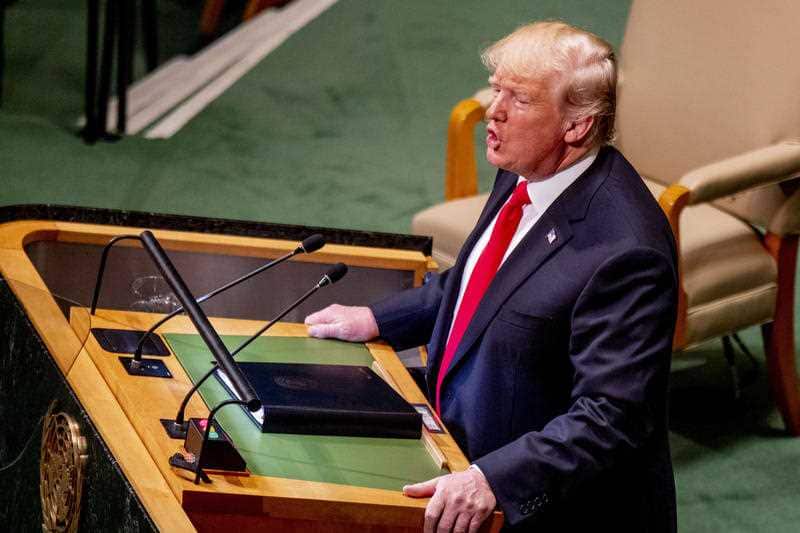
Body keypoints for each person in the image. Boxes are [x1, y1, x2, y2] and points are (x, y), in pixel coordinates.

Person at [305, 21, 677, 532]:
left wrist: (491, 479)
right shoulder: (528, 166)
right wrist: (376, 317)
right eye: (496, 89)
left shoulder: (626, 252)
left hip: (551, 510)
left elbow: (611, 417)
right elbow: (483, 281)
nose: (492, 112)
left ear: (577, 126)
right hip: (458, 446)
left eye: (519, 99)